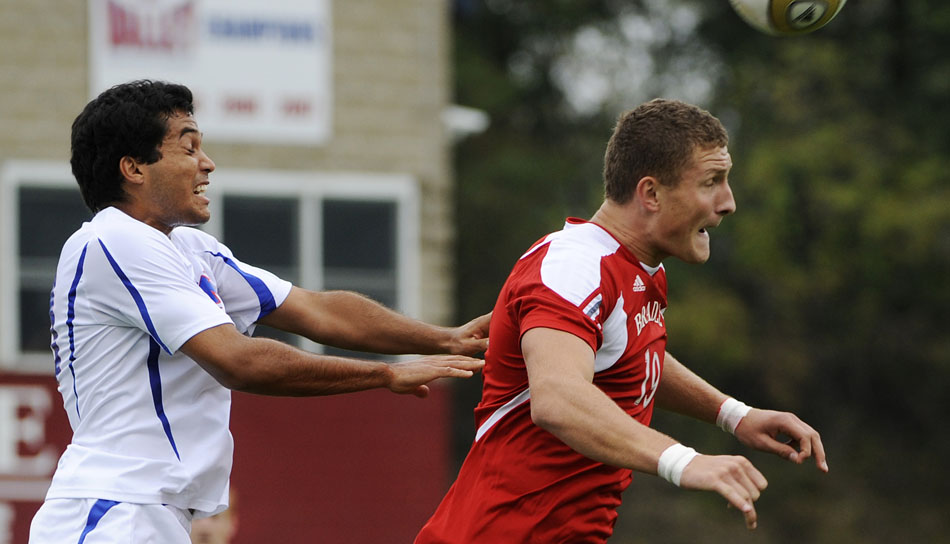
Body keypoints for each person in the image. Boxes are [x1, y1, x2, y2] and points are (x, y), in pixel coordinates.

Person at [28, 80, 488, 544]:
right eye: (188, 147)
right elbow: (239, 362)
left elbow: (316, 309)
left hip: (145, 513)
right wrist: (385, 376)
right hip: (112, 513)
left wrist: (446, 338)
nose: (207, 163)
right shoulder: (114, 241)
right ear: (133, 168)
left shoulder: (188, 247)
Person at [415, 98, 828, 543]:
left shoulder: (637, 270)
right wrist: (683, 460)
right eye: (712, 182)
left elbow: (629, 355)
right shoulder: (573, 267)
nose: (728, 202)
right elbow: (558, 397)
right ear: (650, 194)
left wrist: (734, 415)